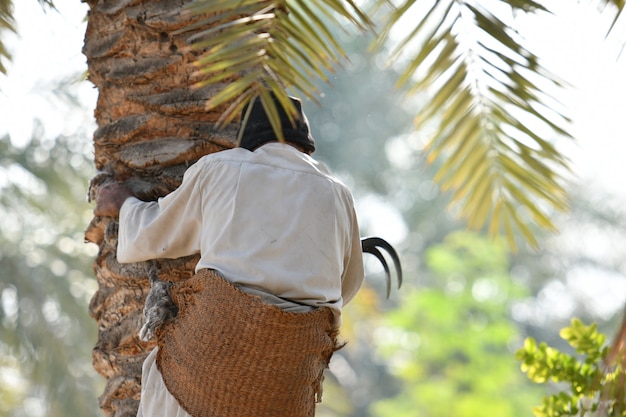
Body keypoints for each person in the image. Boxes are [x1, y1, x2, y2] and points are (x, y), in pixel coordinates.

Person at [94, 94, 365, 417]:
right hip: (288, 379)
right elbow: (346, 285)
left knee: (163, 381)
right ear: (305, 146)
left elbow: (156, 234)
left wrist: (124, 204)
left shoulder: (222, 167)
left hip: (213, 354)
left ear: (250, 141)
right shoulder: (337, 193)